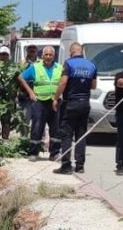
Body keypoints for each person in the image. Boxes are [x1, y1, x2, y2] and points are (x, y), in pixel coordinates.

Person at [52, 42, 97, 175]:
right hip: (85, 103)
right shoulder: (92, 65)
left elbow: (63, 82)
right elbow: (93, 86)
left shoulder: (69, 64)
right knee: (81, 134)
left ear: (71, 52)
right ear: (81, 52)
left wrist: (55, 98)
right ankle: (80, 166)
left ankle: (66, 165)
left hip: (70, 103)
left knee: (66, 134)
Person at [18, 45, 62, 160]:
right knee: (37, 127)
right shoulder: (35, 67)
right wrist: (30, 92)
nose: (48, 57)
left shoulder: (60, 68)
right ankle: (33, 152)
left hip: (54, 101)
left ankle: (54, 153)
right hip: (40, 102)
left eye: (50, 55)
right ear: (42, 56)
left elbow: (64, 83)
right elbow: (21, 77)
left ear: (54, 56)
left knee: (55, 128)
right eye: (46, 55)